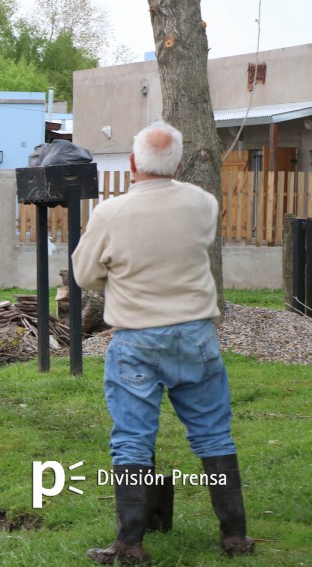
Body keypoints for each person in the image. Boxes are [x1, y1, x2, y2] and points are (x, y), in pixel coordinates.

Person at [72, 121, 254, 564]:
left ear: (133, 163)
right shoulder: (204, 203)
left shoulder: (110, 214)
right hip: (196, 337)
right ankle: (235, 538)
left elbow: (84, 275)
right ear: (177, 163)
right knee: (213, 435)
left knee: (132, 440)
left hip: (137, 340)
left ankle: (129, 545)